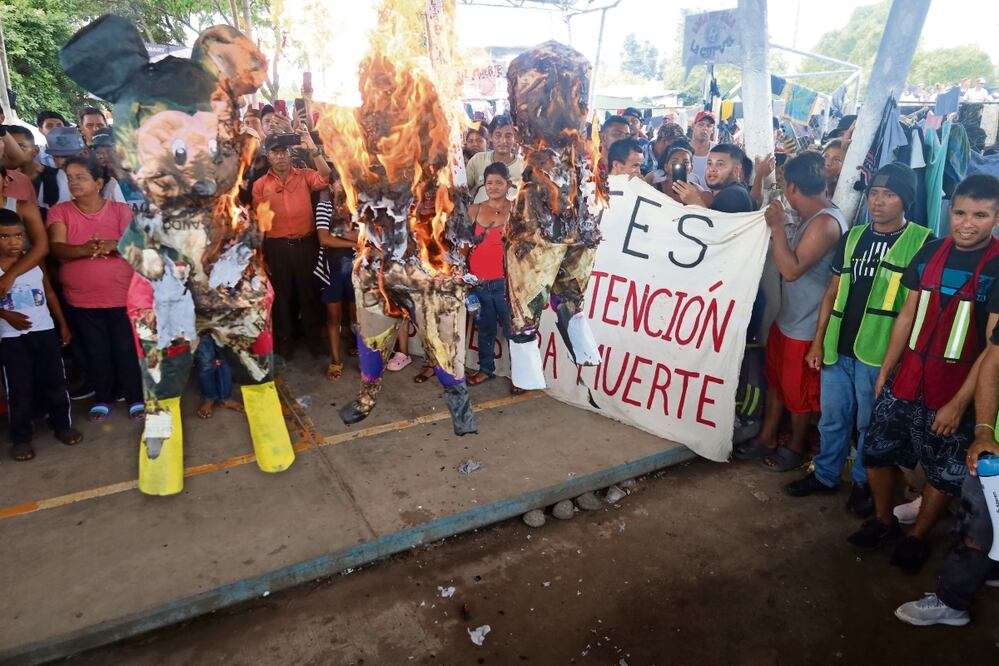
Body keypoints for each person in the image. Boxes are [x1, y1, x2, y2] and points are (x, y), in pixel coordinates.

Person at [850, 174, 999, 574]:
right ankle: (883, 520)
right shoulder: (930, 252)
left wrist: (960, 402)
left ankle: (917, 537)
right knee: (876, 451)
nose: (968, 223)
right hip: (908, 378)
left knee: (944, 473)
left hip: (953, 390)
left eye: (980, 215)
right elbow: (907, 314)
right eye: (961, 213)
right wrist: (886, 370)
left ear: (996, 216)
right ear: (950, 211)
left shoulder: (998, 265)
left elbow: (992, 350)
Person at [785, 163, 932, 515]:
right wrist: (819, 341)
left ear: (905, 201)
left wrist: (897, 362)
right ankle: (825, 476)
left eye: (889, 195)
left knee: (870, 424)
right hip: (839, 347)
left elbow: (918, 311)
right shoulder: (855, 236)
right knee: (832, 419)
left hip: (879, 354)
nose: (878, 202)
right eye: (874, 194)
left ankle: (867, 486)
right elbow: (832, 292)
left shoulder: (922, 242)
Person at [734, 152, 847, 470]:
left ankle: (796, 447)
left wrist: (778, 227)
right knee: (777, 383)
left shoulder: (826, 222)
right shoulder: (814, 217)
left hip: (807, 325)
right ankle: (767, 436)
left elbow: (792, 269)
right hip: (789, 318)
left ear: (793, 187)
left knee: (798, 394)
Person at [894, 323, 999, 626]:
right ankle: (952, 602)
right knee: (975, 526)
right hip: (995, 453)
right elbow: (993, 360)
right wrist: (984, 431)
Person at [46, 155, 144, 422]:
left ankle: (135, 397)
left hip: (121, 295)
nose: (74, 183)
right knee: (95, 350)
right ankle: (103, 397)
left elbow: (137, 247)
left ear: (98, 182)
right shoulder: (60, 211)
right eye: (70, 178)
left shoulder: (120, 211)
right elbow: (56, 247)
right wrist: (84, 249)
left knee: (125, 349)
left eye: (81, 177)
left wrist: (113, 245)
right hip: (81, 299)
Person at [0, 209, 82, 461]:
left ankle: (62, 425)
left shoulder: (33, 261)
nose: (13, 242)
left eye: (18, 235)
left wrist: (63, 324)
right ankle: (21, 438)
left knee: (55, 382)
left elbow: (50, 293)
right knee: (20, 389)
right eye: (4, 236)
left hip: (44, 331)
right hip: (11, 338)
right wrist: (6, 315)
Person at [252, 128, 330, 358]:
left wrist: (314, 151)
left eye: (284, 151)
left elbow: (326, 178)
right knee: (282, 298)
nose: (280, 156)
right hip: (277, 249)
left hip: (307, 245)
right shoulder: (260, 185)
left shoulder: (305, 174)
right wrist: (261, 257)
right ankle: (284, 345)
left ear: (290, 153)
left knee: (309, 294)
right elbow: (258, 224)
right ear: (268, 156)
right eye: (275, 152)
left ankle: (315, 342)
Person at [466, 162, 513, 386]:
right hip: (478, 283)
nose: (493, 187)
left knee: (515, 332)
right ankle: (486, 369)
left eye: (499, 182)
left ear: (508, 184)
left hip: (506, 284)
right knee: (484, 330)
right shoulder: (474, 210)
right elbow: (463, 246)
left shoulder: (515, 211)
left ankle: (521, 377)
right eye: (489, 183)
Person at [314, 176, 358, 381]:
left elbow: (363, 236)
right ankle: (335, 360)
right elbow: (323, 239)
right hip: (331, 268)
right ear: (331, 186)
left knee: (357, 315)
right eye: (338, 182)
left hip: (356, 268)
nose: (343, 186)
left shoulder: (358, 205)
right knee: (333, 317)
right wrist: (351, 240)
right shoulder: (324, 206)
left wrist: (337, 237)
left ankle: (362, 354)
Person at [0, 166, 49, 299]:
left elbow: (42, 247)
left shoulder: (24, 208)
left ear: (5, 181)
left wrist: (9, 276)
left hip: (27, 272)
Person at [674, 144, 754, 213]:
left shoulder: (733, 195)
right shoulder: (735, 191)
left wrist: (695, 201)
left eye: (720, 164)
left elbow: (717, 229)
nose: (712, 169)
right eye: (709, 163)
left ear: (736, 169)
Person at [6, 126, 64, 216]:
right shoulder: (4, 180)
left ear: (36, 150)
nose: (12, 152)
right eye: (7, 147)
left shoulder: (58, 177)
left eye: (20, 146)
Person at [465, 115, 523, 203]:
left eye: (508, 136)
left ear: (514, 139)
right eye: (498, 135)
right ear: (491, 137)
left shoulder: (524, 166)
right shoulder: (477, 160)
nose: (503, 141)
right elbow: (464, 192)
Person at [194, 334, 244, 419]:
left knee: (225, 360)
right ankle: (209, 398)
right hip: (201, 328)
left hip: (224, 326)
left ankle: (225, 398)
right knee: (206, 363)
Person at [689, 110, 716, 186]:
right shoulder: (682, 151)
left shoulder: (718, 151)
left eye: (709, 126)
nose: (705, 128)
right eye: (701, 125)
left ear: (713, 130)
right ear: (693, 126)